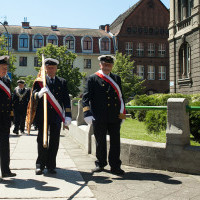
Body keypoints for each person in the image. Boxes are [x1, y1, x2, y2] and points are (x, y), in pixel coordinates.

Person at [82, 55, 126, 175]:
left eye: (109, 65)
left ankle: (115, 165)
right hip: (98, 116)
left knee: (115, 142)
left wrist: (122, 115)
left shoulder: (116, 78)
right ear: (100, 65)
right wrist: (87, 113)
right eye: (105, 64)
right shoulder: (92, 78)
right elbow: (85, 98)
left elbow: (121, 98)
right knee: (100, 141)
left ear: (112, 66)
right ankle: (100, 163)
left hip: (114, 116)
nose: (107, 67)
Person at [32, 58, 72, 175]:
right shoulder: (40, 82)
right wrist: (39, 94)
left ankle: (51, 165)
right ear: (45, 69)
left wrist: (68, 116)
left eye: (53, 68)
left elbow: (66, 100)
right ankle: (40, 164)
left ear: (56, 69)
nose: (50, 70)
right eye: (48, 68)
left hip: (56, 116)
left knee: (55, 141)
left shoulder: (62, 82)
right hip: (42, 116)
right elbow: (32, 97)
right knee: (41, 140)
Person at [0, 55, 16, 178]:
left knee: (5, 145)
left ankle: (5, 170)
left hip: (4, 119)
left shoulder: (7, 81)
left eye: (6, 68)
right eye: (2, 67)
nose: (5, 70)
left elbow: (10, 101)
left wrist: (11, 117)